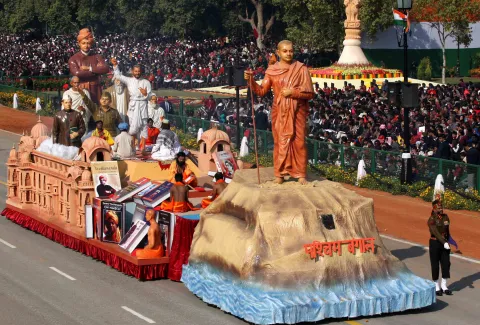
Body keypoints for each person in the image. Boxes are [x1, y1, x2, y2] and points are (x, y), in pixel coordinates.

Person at [245, 40, 314, 185]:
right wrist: (251, 81)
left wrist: (293, 92)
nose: (289, 53)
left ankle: (301, 174)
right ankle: (279, 173)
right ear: (278, 52)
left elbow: (309, 93)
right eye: (285, 51)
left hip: (297, 112)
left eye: (291, 50)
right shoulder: (272, 71)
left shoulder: (301, 69)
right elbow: (261, 91)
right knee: (279, 142)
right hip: (280, 112)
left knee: (299, 142)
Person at [111, 58, 151, 141]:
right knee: (133, 127)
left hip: (143, 106)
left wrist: (145, 94)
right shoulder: (129, 80)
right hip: (133, 106)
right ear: (132, 71)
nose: (137, 73)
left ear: (141, 72)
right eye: (135, 71)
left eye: (139, 71)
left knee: (144, 126)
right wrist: (115, 66)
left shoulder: (146, 82)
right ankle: (133, 146)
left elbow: (150, 97)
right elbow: (118, 76)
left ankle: (142, 148)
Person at [69, 28, 109, 103]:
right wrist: (97, 70)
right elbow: (77, 73)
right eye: (83, 43)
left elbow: (106, 69)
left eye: (88, 43)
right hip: (81, 89)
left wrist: (89, 68)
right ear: (79, 43)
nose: (86, 46)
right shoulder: (73, 59)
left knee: (96, 111)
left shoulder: (97, 56)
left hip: (96, 90)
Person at [428, 200, 453, 296]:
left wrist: (449, 241)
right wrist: (444, 242)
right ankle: (436, 286)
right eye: (438, 207)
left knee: (446, 263)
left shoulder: (445, 217)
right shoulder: (431, 219)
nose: (441, 208)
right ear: (434, 208)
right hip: (435, 243)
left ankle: (444, 285)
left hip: (445, 243)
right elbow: (436, 233)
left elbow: (447, 231)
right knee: (435, 264)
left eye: (441, 207)